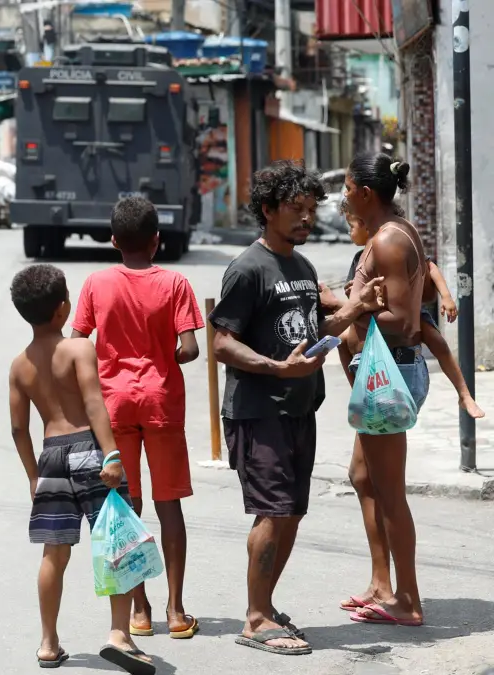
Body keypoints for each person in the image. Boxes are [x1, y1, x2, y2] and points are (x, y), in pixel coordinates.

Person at [208, 160, 385, 656]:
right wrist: (274, 368)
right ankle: (255, 618)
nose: (306, 218)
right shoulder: (248, 268)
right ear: (267, 211)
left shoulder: (303, 268)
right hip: (258, 410)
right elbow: (222, 343)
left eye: (311, 209)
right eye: (295, 209)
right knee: (272, 512)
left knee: (290, 513)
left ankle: (266, 605)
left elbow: (315, 332)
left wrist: (354, 308)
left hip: (297, 407)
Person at [8, 264, 156, 674]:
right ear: (63, 309)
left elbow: (19, 428)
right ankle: (118, 634)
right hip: (90, 450)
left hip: (51, 456)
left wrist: (33, 477)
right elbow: (94, 403)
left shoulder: (19, 365)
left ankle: (48, 643)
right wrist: (111, 455)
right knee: (117, 543)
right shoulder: (79, 349)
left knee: (53, 553)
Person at [70, 196, 203, 640]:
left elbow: (77, 341)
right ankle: (178, 610)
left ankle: (140, 610)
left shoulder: (95, 283)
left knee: (126, 507)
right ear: (156, 241)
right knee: (170, 506)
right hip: (161, 403)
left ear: (113, 241)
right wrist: (160, 360)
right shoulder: (176, 283)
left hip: (113, 406)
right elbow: (189, 348)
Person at [318, 154, 431, 628]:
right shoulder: (393, 231)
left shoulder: (386, 240)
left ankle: (408, 600)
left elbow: (404, 324)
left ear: (366, 192)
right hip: (380, 371)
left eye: (346, 188)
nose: (342, 197)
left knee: (389, 490)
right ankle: (382, 585)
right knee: (364, 478)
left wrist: (343, 303)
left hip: (392, 372)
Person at [328, 212, 483, 420]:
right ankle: (356, 393)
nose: (349, 232)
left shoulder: (396, 246)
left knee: (436, 339)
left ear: (367, 226)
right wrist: (353, 294)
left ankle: (464, 393)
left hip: (408, 311)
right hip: (375, 315)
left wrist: (446, 296)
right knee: (344, 340)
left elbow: (430, 267)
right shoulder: (359, 259)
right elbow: (353, 296)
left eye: (352, 226)